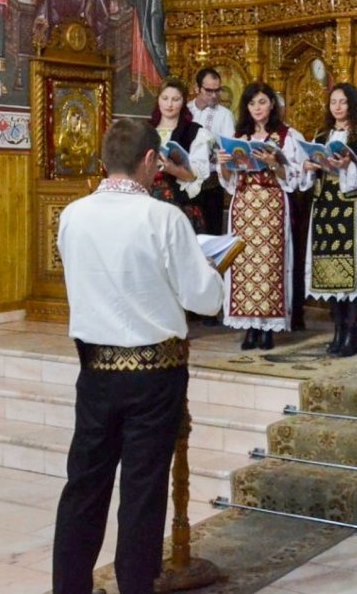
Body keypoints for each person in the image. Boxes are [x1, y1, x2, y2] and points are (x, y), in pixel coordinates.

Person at [52, 118, 224, 594]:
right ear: (151, 160)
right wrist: (210, 269)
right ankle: (134, 587)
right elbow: (205, 299)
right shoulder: (165, 218)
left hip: (94, 371)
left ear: (104, 160)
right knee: (143, 493)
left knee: (84, 488)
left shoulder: (72, 215)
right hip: (156, 375)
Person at [216, 82, 305, 350]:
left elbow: (293, 178)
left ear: (272, 105)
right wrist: (224, 165)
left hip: (271, 204)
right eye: (252, 103)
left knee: (269, 265)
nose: (257, 108)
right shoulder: (238, 136)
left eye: (262, 102)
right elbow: (229, 182)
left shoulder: (286, 136)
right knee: (242, 263)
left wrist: (274, 164)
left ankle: (267, 327)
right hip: (243, 205)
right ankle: (249, 327)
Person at [301, 84, 357, 357]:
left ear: (352, 105)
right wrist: (310, 167)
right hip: (324, 206)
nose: (337, 107)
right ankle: (337, 331)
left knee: (352, 274)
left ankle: (351, 332)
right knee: (329, 274)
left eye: (343, 102)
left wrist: (348, 166)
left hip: (352, 206)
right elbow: (310, 173)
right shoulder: (321, 135)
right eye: (333, 102)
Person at [149, 78, 213, 231]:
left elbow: (195, 177)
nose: (169, 104)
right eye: (165, 98)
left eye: (175, 99)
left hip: (179, 204)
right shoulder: (147, 130)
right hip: (149, 201)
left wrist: (171, 168)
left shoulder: (194, 132)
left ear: (183, 101)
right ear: (158, 100)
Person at [188, 67, 236, 235]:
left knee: (210, 233)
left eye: (217, 91)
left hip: (211, 183)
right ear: (197, 88)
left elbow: (228, 149)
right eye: (209, 91)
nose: (214, 95)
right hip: (184, 180)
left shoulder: (225, 115)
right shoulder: (185, 111)